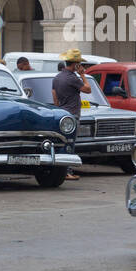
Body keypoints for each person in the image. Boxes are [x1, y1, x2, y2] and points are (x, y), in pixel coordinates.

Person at [53, 49, 91, 180]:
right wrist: (83, 75)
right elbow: (88, 89)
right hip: (73, 115)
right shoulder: (72, 78)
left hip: (62, 115)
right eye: (79, 64)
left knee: (63, 143)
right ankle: (67, 172)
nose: (80, 66)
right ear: (75, 64)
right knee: (70, 144)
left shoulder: (57, 77)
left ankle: (61, 170)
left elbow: (55, 98)